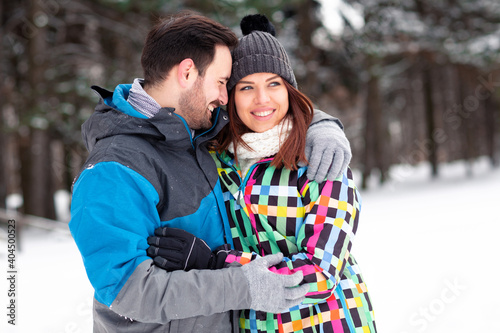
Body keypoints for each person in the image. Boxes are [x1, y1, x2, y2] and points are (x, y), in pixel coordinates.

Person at [69, 11, 352, 333]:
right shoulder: (113, 170)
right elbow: (129, 292)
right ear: (188, 72)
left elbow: (270, 111)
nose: (224, 96)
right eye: (222, 83)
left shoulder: (200, 133)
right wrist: (239, 284)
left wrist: (321, 126)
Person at [148, 14, 376, 332]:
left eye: (273, 84)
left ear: (289, 91)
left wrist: (213, 262)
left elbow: (318, 277)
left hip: (331, 323)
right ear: (230, 97)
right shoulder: (214, 159)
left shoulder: (321, 161)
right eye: (246, 87)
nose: (262, 99)